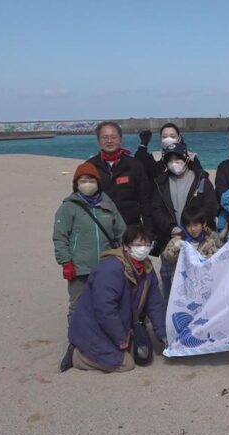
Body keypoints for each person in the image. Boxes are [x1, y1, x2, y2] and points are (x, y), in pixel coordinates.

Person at [59, 225, 167, 373]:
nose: (143, 248)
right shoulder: (110, 269)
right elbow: (105, 309)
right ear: (126, 247)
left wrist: (163, 334)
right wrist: (120, 339)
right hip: (95, 327)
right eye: (138, 244)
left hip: (123, 323)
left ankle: (117, 346)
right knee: (126, 364)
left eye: (147, 244)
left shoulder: (146, 268)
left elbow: (154, 303)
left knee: (143, 356)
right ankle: (77, 356)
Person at [53, 162, 127, 330]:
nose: (88, 184)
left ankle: (104, 338)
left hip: (107, 266)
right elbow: (60, 237)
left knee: (107, 304)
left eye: (91, 180)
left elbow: (121, 232)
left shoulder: (108, 204)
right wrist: (66, 262)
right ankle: (75, 342)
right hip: (80, 268)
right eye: (83, 180)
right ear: (76, 184)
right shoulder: (68, 207)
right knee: (78, 306)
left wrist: (124, 256)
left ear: (98, 183)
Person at [151, 142, 218, 298]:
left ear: (186, 158)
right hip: (171, 239)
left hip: (198, 239)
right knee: (168, 276)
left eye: (178, 158)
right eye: (170, 159)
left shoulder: (201, 180)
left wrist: (196, 227)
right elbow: (156, 209)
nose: (174, 163)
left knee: (198, 277)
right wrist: (172, 228)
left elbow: (210, 206)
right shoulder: (161, 183)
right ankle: (169, 307)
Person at [86, 121, 153, 229]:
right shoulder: (90, 166)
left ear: (120, 139)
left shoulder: (134, 165)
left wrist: (148, 230)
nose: (109, 141)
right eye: (105, 137)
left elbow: (145, 200)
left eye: (113, 137)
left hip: (131, 227)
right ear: (98, 140)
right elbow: (82, 199)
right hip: (101, 227)